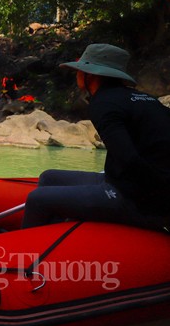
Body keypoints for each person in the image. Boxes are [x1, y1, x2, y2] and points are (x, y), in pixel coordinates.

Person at [21, 44, 170, 231]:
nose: (76, 75)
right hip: (129, 184)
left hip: (139, 199)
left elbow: (129, 159)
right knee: (48, 177)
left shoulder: (103, 103)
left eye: (79, 71)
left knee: (37, 199)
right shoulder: (143, 99)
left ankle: (32, 254)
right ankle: (56, 235)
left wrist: (154, 198)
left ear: (90, 75)